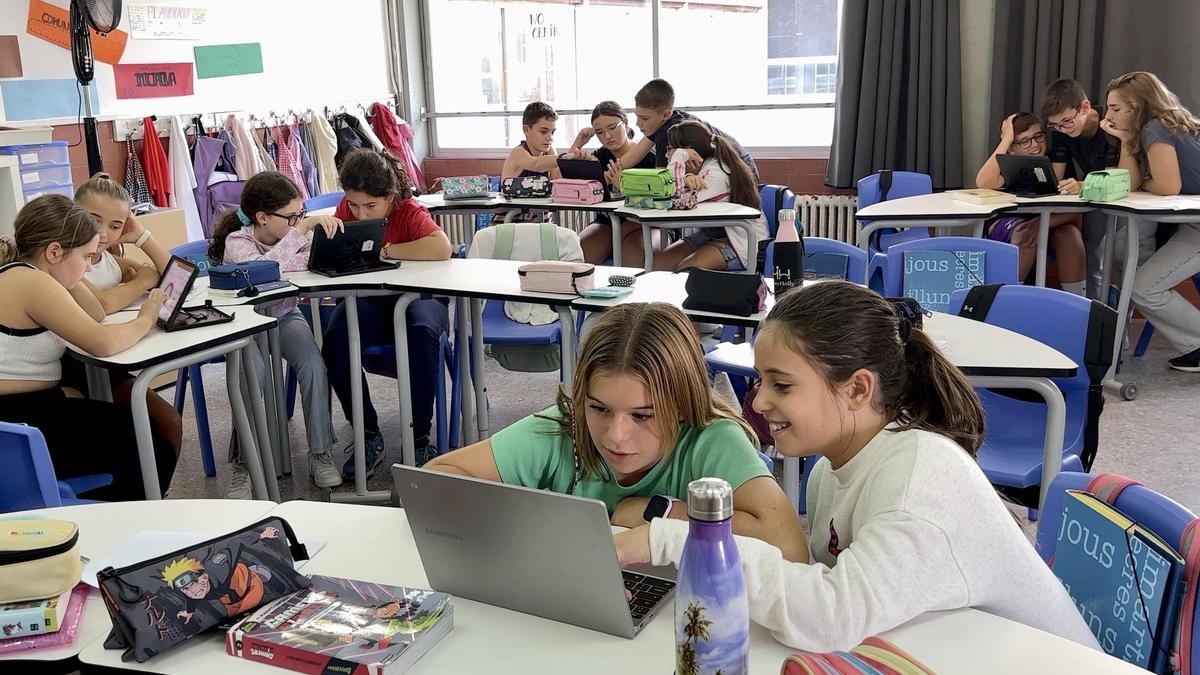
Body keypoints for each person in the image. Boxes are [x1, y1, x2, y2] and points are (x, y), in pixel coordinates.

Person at [614, 282, 1100, 652]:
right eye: (761, 381)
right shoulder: (833, 469)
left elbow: (831, 617)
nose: (758, 401)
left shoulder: (917, 483)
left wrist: (672, 537)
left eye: (781, 385)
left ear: (858, 389)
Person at [426, 302, 807, 561]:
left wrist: (655, 513)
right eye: (599, 409)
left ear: (682, 406)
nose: (615, 437)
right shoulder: (564, 430)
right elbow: (434, 483)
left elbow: (790, 548)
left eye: (643, 416)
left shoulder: (711, 439)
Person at [0, 194, 177, 500]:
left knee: (132, 428)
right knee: (150, 441)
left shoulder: (30, 272)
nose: (88, 267)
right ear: (54, 251)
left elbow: (94, 312)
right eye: (85, 258)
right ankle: (131, 524)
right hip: (16, 419)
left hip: (25, 408)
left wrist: (71, 274)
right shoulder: (32, 282)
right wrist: (147, 316)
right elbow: (104, 342)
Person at [209, 171, 347, 494]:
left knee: (314, 365)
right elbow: (264, 272)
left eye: (300, 214)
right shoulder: (237, 243)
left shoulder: (294, 237)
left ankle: (320, 452)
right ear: (262, 217)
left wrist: (296, 242)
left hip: (285, 315)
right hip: (245, 324)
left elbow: (308, 264)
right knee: (251, 374)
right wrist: (299, 233)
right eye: (291, 217)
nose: (298, 222)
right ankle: (245, 463)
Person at [325, 149, 452, 475]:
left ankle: (419, 439)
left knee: (422, 331)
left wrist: (387, 250)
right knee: (337, 337)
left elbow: (441, 247)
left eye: (371, 205)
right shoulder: (346, 209)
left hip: (420, 300)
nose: (360, 213)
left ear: (390, 196)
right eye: (354, 205)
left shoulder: (409, 211)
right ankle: (368, 435)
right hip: (369, 302)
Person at [54, 173, 185, 458]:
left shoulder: (108, 259)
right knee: (134, 439)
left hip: (107, 365)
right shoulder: (65, 259)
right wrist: (140, 282)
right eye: (93, 219)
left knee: (170, 423)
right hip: (74, 370)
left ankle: (151, 496)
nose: (102, 233)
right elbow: (102, 303)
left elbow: (176, 276)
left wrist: (142, 236)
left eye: (115, 226)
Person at [1103, 71, 1200, 371]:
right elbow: (1128, 184)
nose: (1108, 116)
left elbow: (1167, 186)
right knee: (1139, 281)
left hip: (1196, 224)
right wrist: (1125, 140)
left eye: (1116, 109)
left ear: (1136, 105)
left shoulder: (1156, 128)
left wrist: (1146, 182)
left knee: (1144, 287)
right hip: (1192, 223)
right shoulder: (1158, 126)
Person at [1041, 78, 1154, 298]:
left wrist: (1081, 184)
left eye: (1066, 122)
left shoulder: (1112, 124)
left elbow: (1119, 179)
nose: (1062, 129)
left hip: (1128, 196)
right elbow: (1055, 176)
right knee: (1091, 251)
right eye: (1055, 125)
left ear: (1085, 108)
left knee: (1123, 253)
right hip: (1094, 197)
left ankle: (1121, 320)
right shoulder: (1060, 131)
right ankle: (1094, 311)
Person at [975, 113, 1086, 293]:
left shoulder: (1057, 163)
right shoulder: (1008, 165)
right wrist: (1007, 138)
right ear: (1011, 148)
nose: (1034, 145)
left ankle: (1078, 302)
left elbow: (1075, 212)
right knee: (1024, 235)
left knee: (1070, 235)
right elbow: (983, 182)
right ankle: (1007, 300)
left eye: (1038, 137)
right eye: (1024, 141)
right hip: (1010, 223)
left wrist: (1040, 225)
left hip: (1050, 222)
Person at [650, 120, 768, 272]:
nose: (666, 155)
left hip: (741, 243)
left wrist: (678, 158)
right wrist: (685, 176)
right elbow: (669, 192)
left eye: (670, 149)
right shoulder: (699, 171)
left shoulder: (717, 173)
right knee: (658, 265)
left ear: (688, 151)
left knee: (686, 271)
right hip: (710, 235)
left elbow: (671, 200)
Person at [568, 101, 657, 264]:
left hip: (647, 222)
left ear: (626, 123)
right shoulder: (598, 157)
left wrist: (626, 189)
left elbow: (661, 201)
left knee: (632, 252)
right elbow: (565, 184)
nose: (607, 137)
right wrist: (577, 145)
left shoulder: (649, 156)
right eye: (600, 132)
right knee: (579, 252)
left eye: (612, 127)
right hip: (608, 222)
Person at [615, 78, 758, 179]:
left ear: (666, 114)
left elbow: (661, 182)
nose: (638, 124)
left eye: (644, 118)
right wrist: (609, 173)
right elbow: (634, 155)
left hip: (740, 176)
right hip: (744, 169)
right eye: (637, 116)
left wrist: (622, 184)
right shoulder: (663, 121)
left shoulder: (668, 132)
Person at [501, 102, 562, 182]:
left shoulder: (549, 150)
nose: (550, 138)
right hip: (508, 194)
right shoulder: (518, 153)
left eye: (552, 132)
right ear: (526, 130)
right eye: (543, 132)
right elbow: (536, 165)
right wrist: (566, 157)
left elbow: (558, 180)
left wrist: (577, 144)